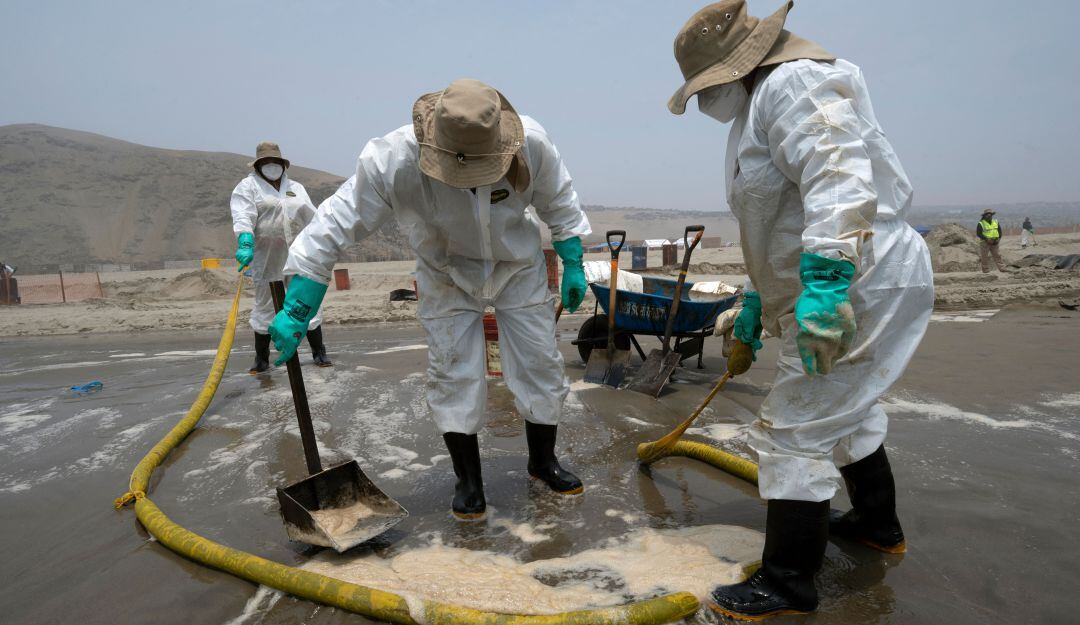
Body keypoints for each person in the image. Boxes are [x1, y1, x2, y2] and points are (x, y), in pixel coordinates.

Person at [668, 1, 934, 619]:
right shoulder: (766, 101)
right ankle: (875, 521)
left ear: (737, 66)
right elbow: (777, 215)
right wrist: (762, 296)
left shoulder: (796, 82)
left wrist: (824, 288)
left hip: (857, 280)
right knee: (846, 409)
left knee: (793, 429)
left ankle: (787, 583)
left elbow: (838, 182)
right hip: (842, 278)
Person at [269, 79, 592, 521]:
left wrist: (572, 256)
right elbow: (339, 219)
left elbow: (559, 199)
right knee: (454, 369)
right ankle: (469, 482)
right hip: (444, 271)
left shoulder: (530, 142)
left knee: (539, 360)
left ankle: (542, 462)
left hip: (517, 265)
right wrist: (300, 299)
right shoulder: (393, 158)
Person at [231, 141, 332, 373]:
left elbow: (312, 217)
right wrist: (245, 242)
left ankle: (319, 352)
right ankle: (261, 358)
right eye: (266, 163)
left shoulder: (295, 187)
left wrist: (324, 241)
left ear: (282, 164)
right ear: (258, 165)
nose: (271, 166)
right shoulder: (248, 187)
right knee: (265, 306)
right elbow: (243, 215)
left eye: (275, 162)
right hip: (267, 258)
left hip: (298, 255)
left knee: (306, 303)